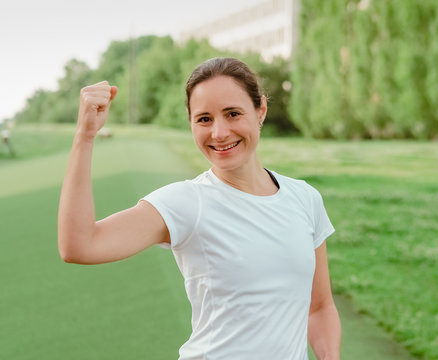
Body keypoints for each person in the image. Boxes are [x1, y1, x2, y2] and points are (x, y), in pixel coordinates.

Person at [58, 57, 341, 359]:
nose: (219, 133)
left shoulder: (304, 198)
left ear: (261, 110)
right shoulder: (186, 202)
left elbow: (319, 307)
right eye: (204, 119)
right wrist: (84, 136)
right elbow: (80, 246)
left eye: (233, 114)